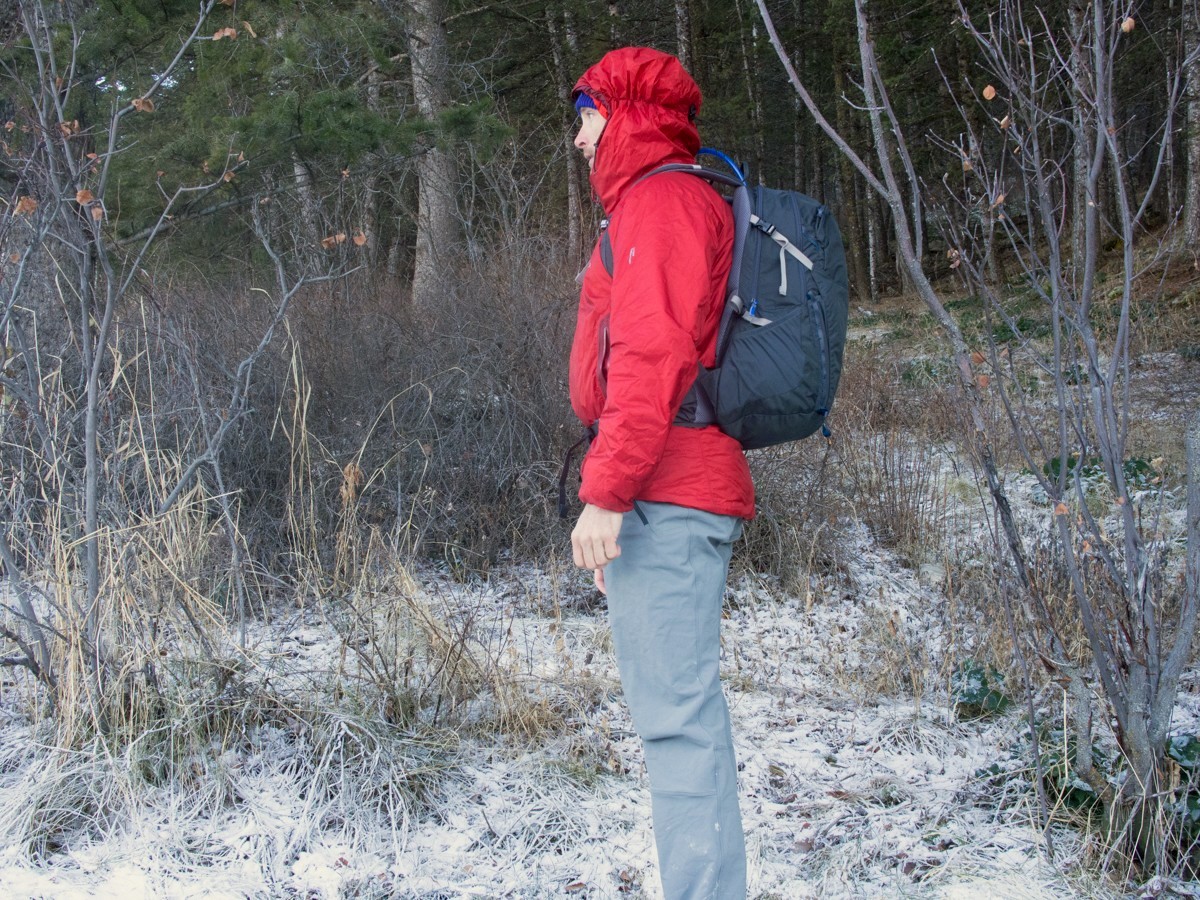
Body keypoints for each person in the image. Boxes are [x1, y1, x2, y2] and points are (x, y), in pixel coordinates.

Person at [566, 47, 756, 899]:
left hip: (666, 488)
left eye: (586, 117)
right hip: (665, 489)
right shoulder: (659, 201)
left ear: (624, 114)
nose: (579, 139)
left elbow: (650, 356)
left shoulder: (662, 200)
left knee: (677, 723)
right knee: (676, 716)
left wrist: (608, 494)